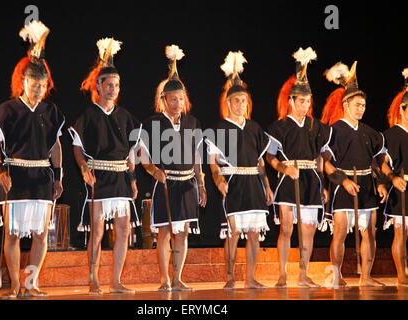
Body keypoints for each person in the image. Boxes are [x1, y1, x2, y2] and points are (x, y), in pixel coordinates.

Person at [0, 21, 64, 298]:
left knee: (41, 235)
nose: (39, 90)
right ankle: (16, 286)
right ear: (24, 81)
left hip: (42, 177)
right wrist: (0, 172)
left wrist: (59, 176)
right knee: (12, 235)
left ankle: (31, 284)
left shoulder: (51, 111)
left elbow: (55, 145)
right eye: (35, 84)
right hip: (14, 177)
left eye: (43, 85)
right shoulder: (6, 111)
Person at [69, 37, 141, 294]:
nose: (113, 89)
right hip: (98, 177)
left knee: (123, 229)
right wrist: (83, 169)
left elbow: (133, 151)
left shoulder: (126, 116)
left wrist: (133, 180)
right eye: (108, 84)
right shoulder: (88, 115)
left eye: (117, 85)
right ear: (99, 86)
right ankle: (93, 278)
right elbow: (77, 147)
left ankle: (116, 280)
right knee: (97, 231)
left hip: (121, 178)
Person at [138, 45, 207, 292]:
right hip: (166, 184)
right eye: (173, 99)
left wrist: (201, 184)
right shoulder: (152, 123)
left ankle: (178, 278)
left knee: (183, 232)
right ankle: (164, 279)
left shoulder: (192, 123)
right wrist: (152, 170)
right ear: (163, 100)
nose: (177, 102)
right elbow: (142, 155)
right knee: (165, 233)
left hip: (188, 183)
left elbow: (197, 155)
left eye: (181, 98)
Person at [206, 51, 273, 290]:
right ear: (228, 103)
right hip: (234, 183)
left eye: (244, 101)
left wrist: (267, 186)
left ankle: (251, 278)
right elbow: (213, 162)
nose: (241, 105)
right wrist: (219, 180)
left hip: (254, 183)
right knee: (233, 232)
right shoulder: (219, 129)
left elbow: (261, 162)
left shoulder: (255, 128)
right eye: (237, 101)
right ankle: (230, 276)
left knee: (254, 233)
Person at [321, 61, 392, 287]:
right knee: (340, 232)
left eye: (363, 105)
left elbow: (377, 159)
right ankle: (337, 276)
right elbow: (326, 164)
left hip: (365, 186)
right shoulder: (334, 131)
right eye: (357, 105)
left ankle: (366, 277)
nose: (361, 109)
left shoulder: (370, 132)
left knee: (369, 233)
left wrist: (380, 183)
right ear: (345, 104)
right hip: (344, 186)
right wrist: (343, 181)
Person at [266, 47, 330, 288]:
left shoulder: (317, 126)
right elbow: (270, 157)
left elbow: (322, 157)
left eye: (308, 101)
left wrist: (322, 184)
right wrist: (283, 169)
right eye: (301, 101)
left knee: (309, 230)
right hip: (288, 179)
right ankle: (282, 275)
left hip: (311, 180)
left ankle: (303, 274)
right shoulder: (279, 127)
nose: (305, 105)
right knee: (286, 228)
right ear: (291, 100)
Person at [380, 68, 408, 287]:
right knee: (400, 235)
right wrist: (391, 179)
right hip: (401, 187)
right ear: (402, 109)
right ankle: (401, 274)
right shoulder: (391, 135)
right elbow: (381, 163)